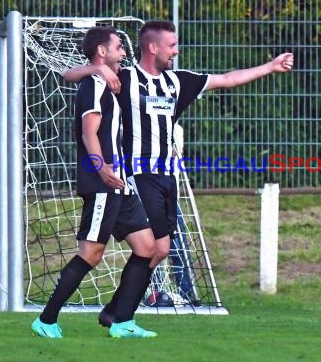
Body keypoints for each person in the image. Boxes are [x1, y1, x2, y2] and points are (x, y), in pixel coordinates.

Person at [63, 20, 294, 324]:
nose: (176, 50)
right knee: (152, 247)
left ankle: (114, 312)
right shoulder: (126, 77)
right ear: (153, 47)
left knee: (160, 250)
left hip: (167, 178)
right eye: (171, 45)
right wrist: (98, 69)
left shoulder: (177, 82)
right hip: (137, 175)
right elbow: (69, 75)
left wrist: (270, 67)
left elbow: (227, 79)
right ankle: (118, 316)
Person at [32, 25, 157, 339]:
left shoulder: (115, 78)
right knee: (91, 253)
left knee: (147, 247)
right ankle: (46, 320)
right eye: (118, 46)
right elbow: (89, 132)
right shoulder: (94, 84)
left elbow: (68, 74)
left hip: (120, 183)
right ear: (102, 51)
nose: (124, 51)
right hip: (103, 183)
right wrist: (101, 168)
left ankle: (122, 322)